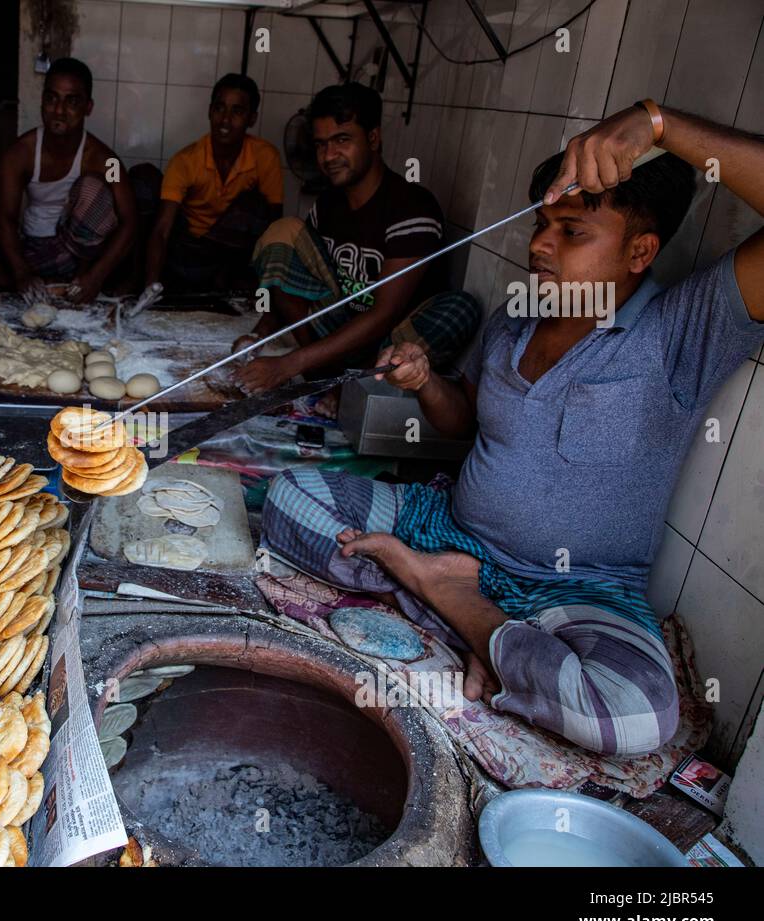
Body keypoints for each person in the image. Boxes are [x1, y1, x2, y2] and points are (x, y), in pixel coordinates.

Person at [261, 101, 764, 756]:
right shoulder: (515, 316)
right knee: (287, 501)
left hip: (572, 588)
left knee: (633, 715)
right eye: (541, 225)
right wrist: (426, 384)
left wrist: (660, 125)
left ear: (640, 250)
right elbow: (465, 420)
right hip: (445, 528)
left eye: (572, 233)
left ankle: (446, 599)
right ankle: (492, 633)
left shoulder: (683, 330)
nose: (539, 246)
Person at [238, 83, 479, 396]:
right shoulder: (327, 205)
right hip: (336, 332)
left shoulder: (411, 207)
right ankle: (323, 375)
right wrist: (259, 336)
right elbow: (288, 280)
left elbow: (384, 315)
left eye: (342, 140)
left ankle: (348, 387)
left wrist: (288, 365)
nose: (329, 155)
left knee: (461, 308)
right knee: (282, 232)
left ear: (373, 138)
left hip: (387, 346)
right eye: (321, 144)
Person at [0, 57, 137, 304]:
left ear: (88, 107)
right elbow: (5, 216)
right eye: (52, 99)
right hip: (34, 248)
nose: (59, 110)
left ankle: (76, 281)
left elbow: (129, 220)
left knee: (94, 188)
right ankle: (50, 282)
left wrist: (96, 275)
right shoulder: (20, 154)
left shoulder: (105, 161)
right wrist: (21, 272)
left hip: (81, 256)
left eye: (71, 101)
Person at [140, 73, 284, 293]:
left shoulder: (265, 156)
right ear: (209, 111)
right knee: (143, 178)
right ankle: (149, 280)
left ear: (252, 119)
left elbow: (275, 226)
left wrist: (269, 290)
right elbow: (162, 229)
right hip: (186, 253)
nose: (225, 120)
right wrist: (150, 285)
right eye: (219, 108)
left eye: (237, 111)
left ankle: (226, 282)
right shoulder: (186, 160)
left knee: (254, 206)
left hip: (229, 257)